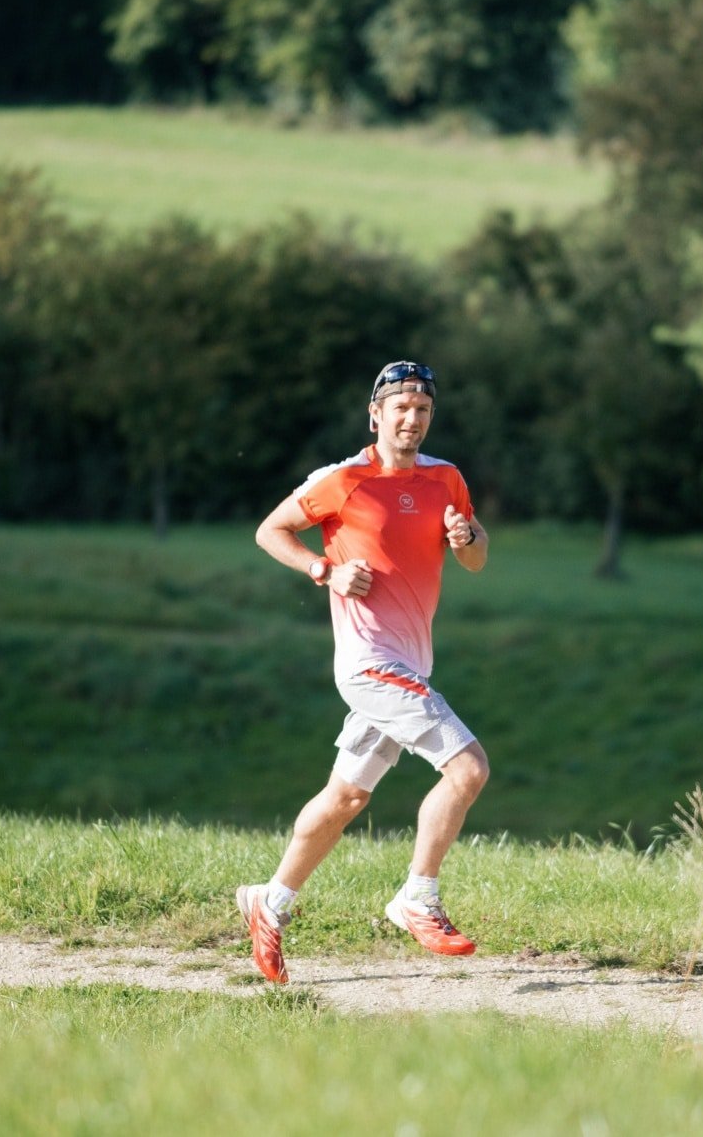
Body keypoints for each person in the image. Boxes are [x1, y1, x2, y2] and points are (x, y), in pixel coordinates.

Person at [238, 360, 490, 984]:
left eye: (423, 410)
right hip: (369, 665)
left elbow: (477, 559)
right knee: (468, 768)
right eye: (400, 409)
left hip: (411, 663)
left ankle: (269, 902)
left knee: (347, 795)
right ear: (375, 414)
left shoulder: (446, 479)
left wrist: (465, 536)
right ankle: (417, 897)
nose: (412, 420)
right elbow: (270, 530)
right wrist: (324, 570)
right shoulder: (342, 479)